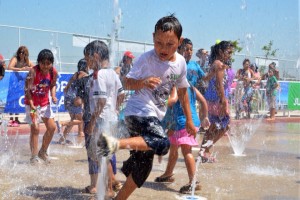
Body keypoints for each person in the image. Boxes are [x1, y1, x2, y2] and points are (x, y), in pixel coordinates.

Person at [96, 14, 196, 200]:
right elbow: (125, 82)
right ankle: (114, 143)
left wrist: (189, 120)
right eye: (159, 43)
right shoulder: (146, 59)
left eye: (170, 44)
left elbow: (182, 93)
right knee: (162, 143)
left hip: (153, 117)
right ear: (153, 37)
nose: (163, 49)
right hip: (138, 112)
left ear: (179, 42)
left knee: (143, 168)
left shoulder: (181, 63)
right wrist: (142, 82)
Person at [154, 38, 210, 194]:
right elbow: (203, 100)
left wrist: (159, 103)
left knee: (186, 151)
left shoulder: (178, 78)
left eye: (191, 49)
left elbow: (173, 99)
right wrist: (205, 116)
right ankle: (167, 174)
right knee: (173, 148)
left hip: (183, 121)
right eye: (187, 48)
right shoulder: (189, 83)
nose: (190, 51)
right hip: (178, 121)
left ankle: (193, 182)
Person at [82, 40, 125, 197]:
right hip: (112, 119)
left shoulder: (99, 74)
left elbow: (100, 101)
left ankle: (109, 189)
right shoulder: (113, 73)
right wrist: (116, 110)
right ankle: (111, 184)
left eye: (88, 59)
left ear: (96, 56)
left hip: (101, 120)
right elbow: (121, 94)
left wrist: (92, 122)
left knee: (102, 156)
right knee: (105, 154)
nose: (87, 63)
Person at [199, 41, 234, 162]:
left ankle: (204, 151)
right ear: (220, 51)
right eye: (228, 52)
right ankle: (205, 150)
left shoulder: (216, 64)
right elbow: (219, 85)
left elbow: (206, 78)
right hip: (217, 100)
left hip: (213, 99)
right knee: (224, 126)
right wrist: (223, 101)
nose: (230, 55)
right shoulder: (219, 64)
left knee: (215, 127)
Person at [24, 49, 58, 164]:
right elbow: (27, 89)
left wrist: (53, 96)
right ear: (38, 62)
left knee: (52, 127)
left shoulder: (53, 72)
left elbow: (53, 85)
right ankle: (33, 156)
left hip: (44, 104)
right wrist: (32, 104)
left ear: (51, 63)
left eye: (48, 63)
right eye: (42, 63)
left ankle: (42, 151)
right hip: (32, 104)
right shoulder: (33, 72)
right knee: (35, 128)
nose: (45, 66)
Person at [57, 58, 88, 144]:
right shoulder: (85, 75)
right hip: (75, 99)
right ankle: (62, 123)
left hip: (68, 98)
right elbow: (86, 89)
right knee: (81, 120)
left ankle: (62, 138)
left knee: (73, 120)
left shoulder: (76, 74)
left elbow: (66, 87)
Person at [7, 46, 34, 126]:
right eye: (20, 52)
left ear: (26, 54)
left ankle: (17, 119)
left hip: (22, 83)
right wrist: (20, 69)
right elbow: (9, 67)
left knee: (18, 99)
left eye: (23, 53)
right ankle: (11, 119)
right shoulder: (15, 59)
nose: (21, 54)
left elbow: (34, 67)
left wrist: (28, 68)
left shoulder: (27, 60)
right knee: (13, 99)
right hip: (13, 82)